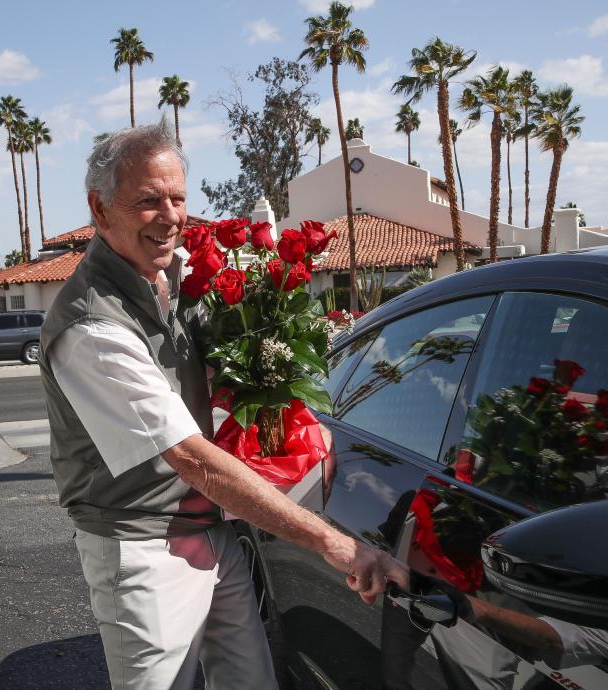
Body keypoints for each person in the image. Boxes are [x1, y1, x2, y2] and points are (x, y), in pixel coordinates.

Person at [38, 122, 408, 690]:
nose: (169, 216)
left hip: (212, 531)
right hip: (143, 548)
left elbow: (231, 367)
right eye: (147, 201)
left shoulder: (175, 275)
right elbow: (195, 459)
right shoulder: (91, 324)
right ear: (100, 207)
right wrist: (332, 541)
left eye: (177, 198)